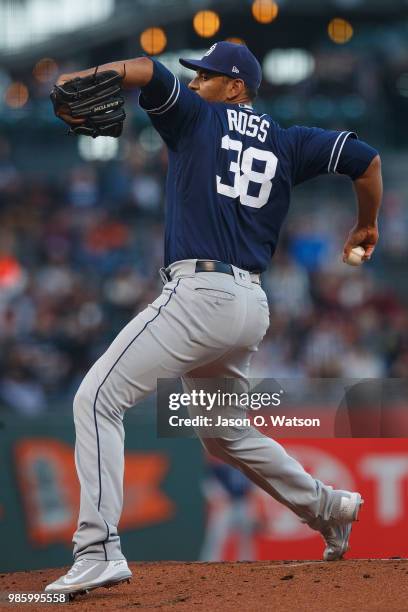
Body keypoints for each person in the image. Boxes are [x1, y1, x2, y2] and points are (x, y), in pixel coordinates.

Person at [45, 42, 382, 596]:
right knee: (223, 429)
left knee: (97, 398)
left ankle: (97, 548)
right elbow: (366, 160)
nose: (196, 83)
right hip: (250, 305)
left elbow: (148, 70)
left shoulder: (196, 116)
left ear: (236, 86)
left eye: (206, 76)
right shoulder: (290, 140)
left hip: (200, 295)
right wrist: (366, 224)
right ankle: (328, 507)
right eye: (196, 78)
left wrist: (84, 72)